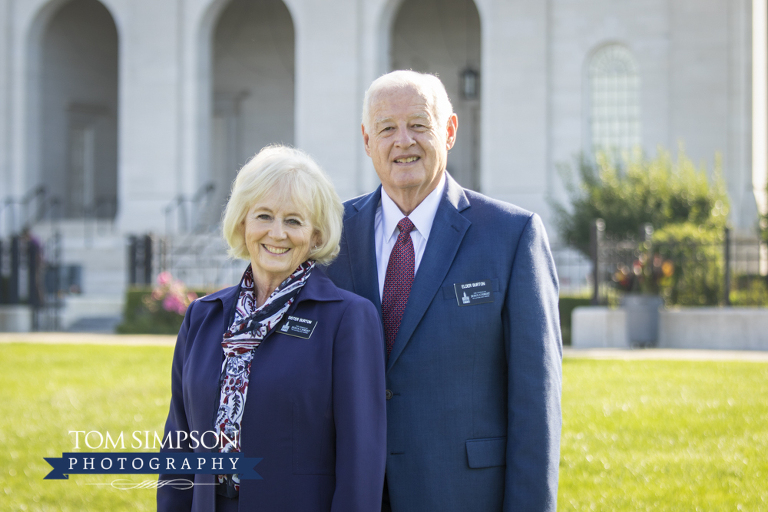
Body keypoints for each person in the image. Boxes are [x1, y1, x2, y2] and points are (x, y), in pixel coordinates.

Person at [325, 70, 562, 511]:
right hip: (354, 493)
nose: (403, 141)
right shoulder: (329, 238)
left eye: (419, 124)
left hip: (464, 494)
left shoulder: (512, 236)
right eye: (386, 128)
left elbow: (536, 407)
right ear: (366, 140)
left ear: (449, 131)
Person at [157, 145, 387, 512]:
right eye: (264, 215)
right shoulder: (202, 316)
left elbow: (361, 460)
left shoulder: (347, 319)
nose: (276, 233)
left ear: (315, 235)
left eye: (294, 221)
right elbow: (178, 446)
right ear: (242, 222)